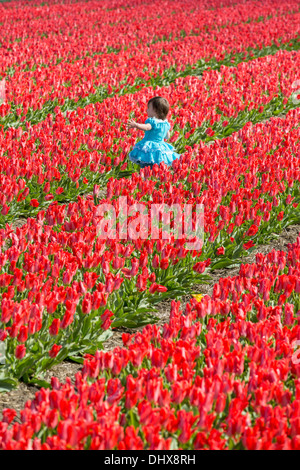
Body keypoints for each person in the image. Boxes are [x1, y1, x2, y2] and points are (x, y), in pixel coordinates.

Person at [126, 96, 181, 169]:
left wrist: (136, 125)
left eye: (149, 108)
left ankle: (146, 176)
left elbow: (147, 127)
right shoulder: (165, 124)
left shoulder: (152, 122)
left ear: (156, 112)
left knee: (147, 163)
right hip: (161, 147)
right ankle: (155, 175)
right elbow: (167, 136)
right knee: (157, 164)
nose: (147, 110)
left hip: (150, 146)